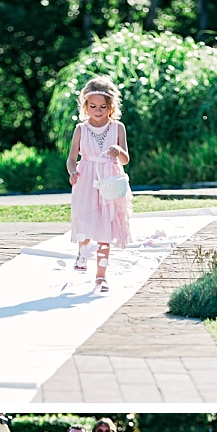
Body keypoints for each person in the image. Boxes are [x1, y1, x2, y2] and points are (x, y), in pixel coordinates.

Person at [67, 76, 132, 293]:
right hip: (86, 179)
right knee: (85, 217)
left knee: (106, 225)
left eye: (103, 106)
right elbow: (71, 157)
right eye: (93, 106)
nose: (98, 110)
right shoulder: (80, 129)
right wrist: (73, 171)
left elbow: (126, 159)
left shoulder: (118, 127)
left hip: (110, 181)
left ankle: (101, 277)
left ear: (111, 106)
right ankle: (83, 251)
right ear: (85, 106)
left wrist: (118, 151)